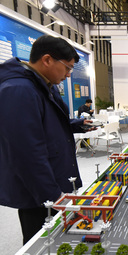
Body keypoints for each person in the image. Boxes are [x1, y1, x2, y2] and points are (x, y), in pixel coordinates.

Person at [0, 35, 93, 244]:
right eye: (67, 68)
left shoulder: (43, 85)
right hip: (40, 194)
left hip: (54, 183)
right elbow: (26, 154)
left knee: (60, 241)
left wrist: (75, 125)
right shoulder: (19, 90)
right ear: (48, 60)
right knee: (43, 243)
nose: (69, 75)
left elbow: (45, 127)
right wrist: (54, 198)